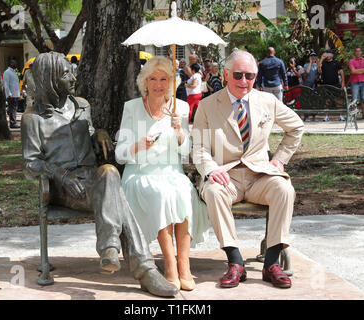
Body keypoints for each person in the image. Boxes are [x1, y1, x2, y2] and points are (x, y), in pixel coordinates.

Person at [21, 52, 177, 298]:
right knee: (117, 195)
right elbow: (31, 164)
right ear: (49, 79)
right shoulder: (33, 119)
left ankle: (110, 249)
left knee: (109, 171)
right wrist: (63, 177)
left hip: (94, 181)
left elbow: (91, 133)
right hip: (65, 188)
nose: (73, 77)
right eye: (65, 74)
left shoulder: (82, 106)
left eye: (71, 71)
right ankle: (143, 269)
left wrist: (100, 134)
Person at [192, 49, 304, 289]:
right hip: (225, 176)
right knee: (213, 192)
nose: (244, 81)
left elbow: (296, 127)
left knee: (284, 189)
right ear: (225, 74)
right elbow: (199, 148)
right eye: (238, 75)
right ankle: (235, 261)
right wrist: (211, 170)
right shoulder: (207, 105)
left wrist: (280, 159)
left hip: (260, 176)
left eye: (250, 76)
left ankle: (272, 263)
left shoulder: (267, 101)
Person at [115, 56, 209, 292]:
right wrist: (137, 145)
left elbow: (185, 152)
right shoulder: (132, 107)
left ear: (171, 83)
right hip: (140, 173)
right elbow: (119, 154)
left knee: (184, 191)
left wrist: (180, 132)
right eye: (153, 79)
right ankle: (169, 265)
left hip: (171, 171)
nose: (158, 84)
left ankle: (183, 265)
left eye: (163, 79)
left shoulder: (182, 107)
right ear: (145, 82)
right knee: (161, 193)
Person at [318, 49, 345, 121]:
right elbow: (319, 70)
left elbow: (342, 73)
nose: (328, 55)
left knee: (338, 100)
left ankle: (341, 116)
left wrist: (343, 83)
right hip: (326, 85)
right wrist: (322, 58)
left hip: (335, 84)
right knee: (326, 100)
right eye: (327, 53)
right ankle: (326, 116)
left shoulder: (336, 63)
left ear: (332, 55)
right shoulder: (323, 63)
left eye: (329, 53)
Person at [3, 59, 21, 128]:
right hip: (11, 95)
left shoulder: (13, 72)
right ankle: (12, 123)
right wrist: (9, 94)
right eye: (14, 63)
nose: (16, 64)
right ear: (11, 64)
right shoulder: (7, 72)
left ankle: (14, 122)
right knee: (12, 109)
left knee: (14, 109)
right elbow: (6, 84)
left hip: (16, 94)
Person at [302, 52, 319, 121]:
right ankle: (306, 116)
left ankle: (314, 116)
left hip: (314, 85)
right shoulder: (306, 65)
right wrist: (310, 62)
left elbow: (319, 72)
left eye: (314, 56)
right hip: (307, 84)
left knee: (314, 100)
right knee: (307, 100)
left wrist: (318, 63)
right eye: (312, 56)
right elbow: (307, 71)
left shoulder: (317, 65)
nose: (313, 58)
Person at [349, 47, 364, 119]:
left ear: (361, 52)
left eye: (359, 51)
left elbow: (355, 71)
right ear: (354, 53)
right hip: (355, 83)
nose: (358, 53)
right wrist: (362, 70)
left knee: (363, 99)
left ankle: (363, 115)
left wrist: (356, 70)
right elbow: (353, 71)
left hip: (363, 82)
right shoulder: (351, 61)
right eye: (356, 51)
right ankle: (353, 116)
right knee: (354, 99)